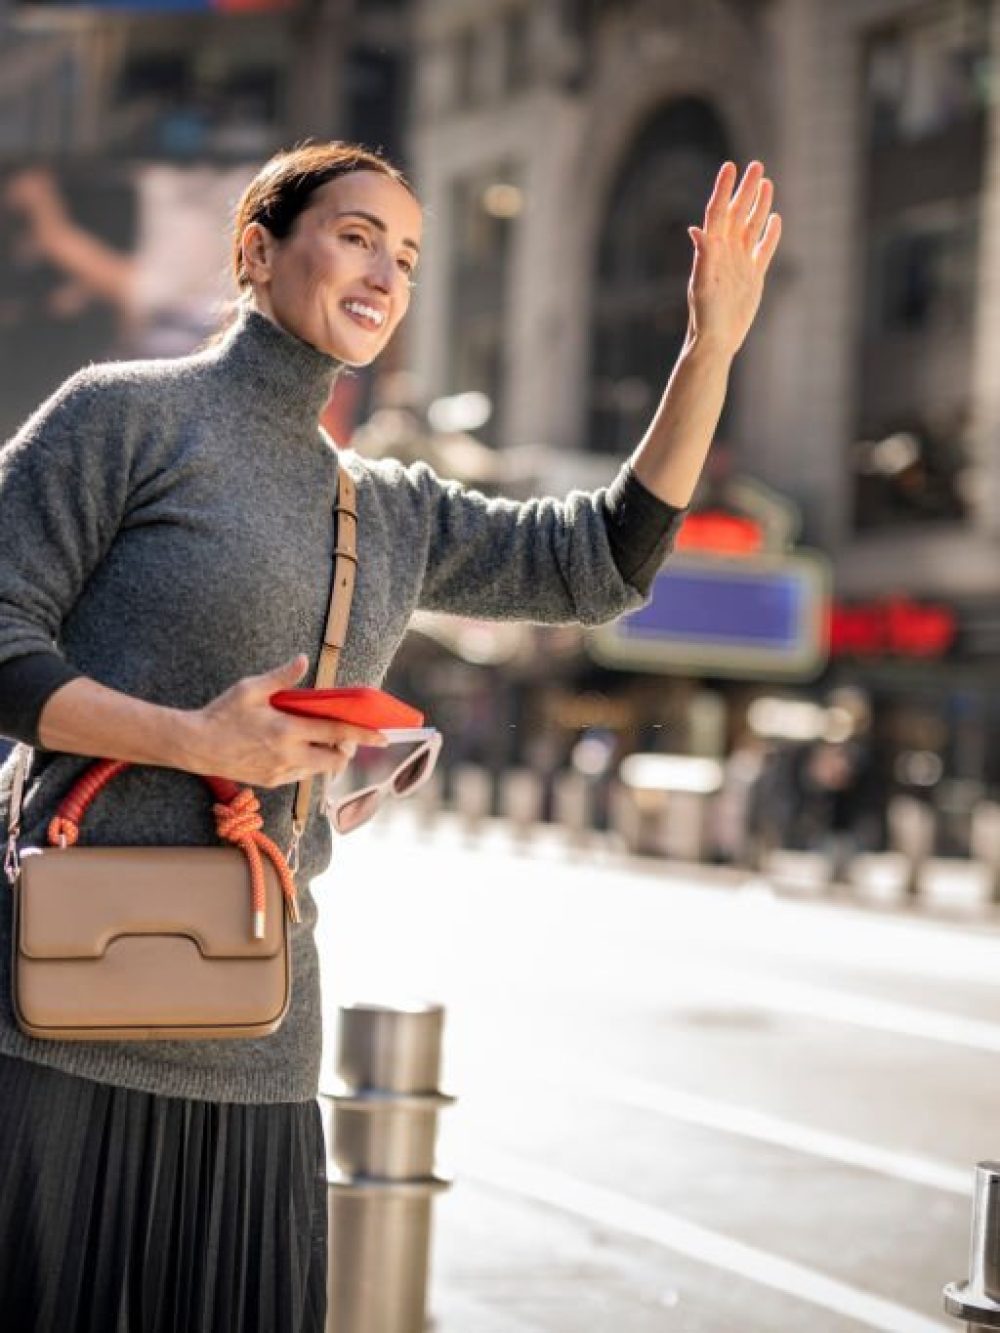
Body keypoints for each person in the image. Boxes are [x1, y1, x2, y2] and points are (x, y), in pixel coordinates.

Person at [0, 140, 780, 1330]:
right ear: (257, 252)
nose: (386, 271)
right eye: (358, 234)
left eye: (408, 257)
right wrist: (198, 741)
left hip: (252, 1033)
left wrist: (707, 346)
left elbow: (606, 559)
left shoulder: (394, 510)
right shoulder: (121, 418)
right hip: (48, 1018)